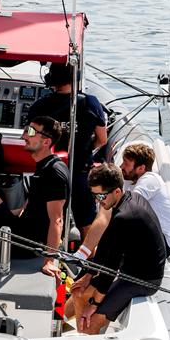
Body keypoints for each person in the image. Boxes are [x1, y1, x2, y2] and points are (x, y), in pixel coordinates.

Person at [65, 163, 165, 335]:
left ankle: (86, 339)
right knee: (77, 290)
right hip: (127, 270)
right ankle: (61, 326)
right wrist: (88, 274)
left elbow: (110, 267)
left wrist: (94, 305)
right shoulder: (124, 201)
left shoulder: (126, 216)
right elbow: (105, 245)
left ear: (117, 191)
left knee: (92, 321)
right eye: (94, 195)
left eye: (102, 195)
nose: (98, 201)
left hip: (142, 280)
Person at [26, 62, 108, 239]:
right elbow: (102, 139)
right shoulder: (90, 103)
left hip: (50, 174)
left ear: (51, 81)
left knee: (51, 219)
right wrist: (86, 147)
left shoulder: (39, 106)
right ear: (75, 78)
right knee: (86, 224)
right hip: (80, 172)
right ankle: (89, 263)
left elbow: (30, 139)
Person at [0, 116, 68, 278]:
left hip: (24, 243)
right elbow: (32, 201)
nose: (23, 136)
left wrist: (50, 261)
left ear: (46, 142)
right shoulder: (44, 166)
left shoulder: (54, 172)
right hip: (19, 228)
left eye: (30, 132)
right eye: (25, 130)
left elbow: (57, 219)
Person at [76, 143, 170, 260]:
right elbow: (106, 212)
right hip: (144, 234)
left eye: (126, 164)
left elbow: (127, 208)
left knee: (114, 220)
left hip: (162, 243)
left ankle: (90, 258)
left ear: (141, 168)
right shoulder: (129, 179)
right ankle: (85, 253)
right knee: (107, 210)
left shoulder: (150, 180)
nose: (121, 166)